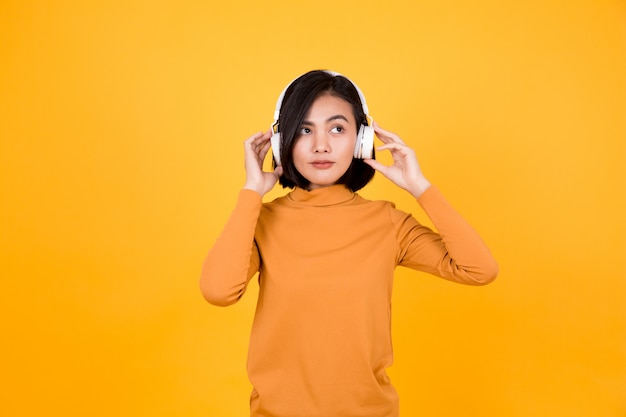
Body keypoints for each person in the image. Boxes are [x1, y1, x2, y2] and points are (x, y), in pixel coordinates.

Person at [200, 70, 498, 417]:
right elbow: (218, 291)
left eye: (337, 128)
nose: (321, 145)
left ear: (361, 139)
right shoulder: (262, 220)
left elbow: (479, 270)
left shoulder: (388, 223)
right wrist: (251, 192)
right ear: (283, 143)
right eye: (304, 130)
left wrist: (420, 187)